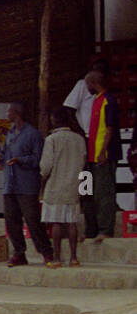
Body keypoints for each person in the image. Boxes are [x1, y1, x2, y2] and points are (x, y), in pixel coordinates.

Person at [0, 101, 52, 266]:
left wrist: (20, 160)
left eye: (9, 111)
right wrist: (0, 159)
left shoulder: (33, 134)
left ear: (16, 113)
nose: (7, 114)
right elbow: (6, 156)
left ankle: (46, 252)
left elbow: (38, 159)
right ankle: (19, 253)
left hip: (26, 184)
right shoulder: (10, 134)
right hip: (10, 184)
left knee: (32, 219)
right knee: (11, 220)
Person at [39, 106, 88, 268]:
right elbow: (83, 162)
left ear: (54, 120)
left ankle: (57, 258)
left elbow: (46, 166)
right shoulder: (79, 139)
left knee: (57, 223)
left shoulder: (51, 140)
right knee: (72, 222)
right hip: (74, 185)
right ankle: (74, 258)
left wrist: (41, 180)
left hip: (55, 186)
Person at [81, 68, 120, 240]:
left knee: (104, 193)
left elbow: (110, 128)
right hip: (92, 155)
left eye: (87, 83)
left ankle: (106, 230)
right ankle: (92, 229)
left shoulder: (108, 100)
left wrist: (103, 151)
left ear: (93, 83)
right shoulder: (96, 100)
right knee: (88, 192)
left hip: (104, 154)